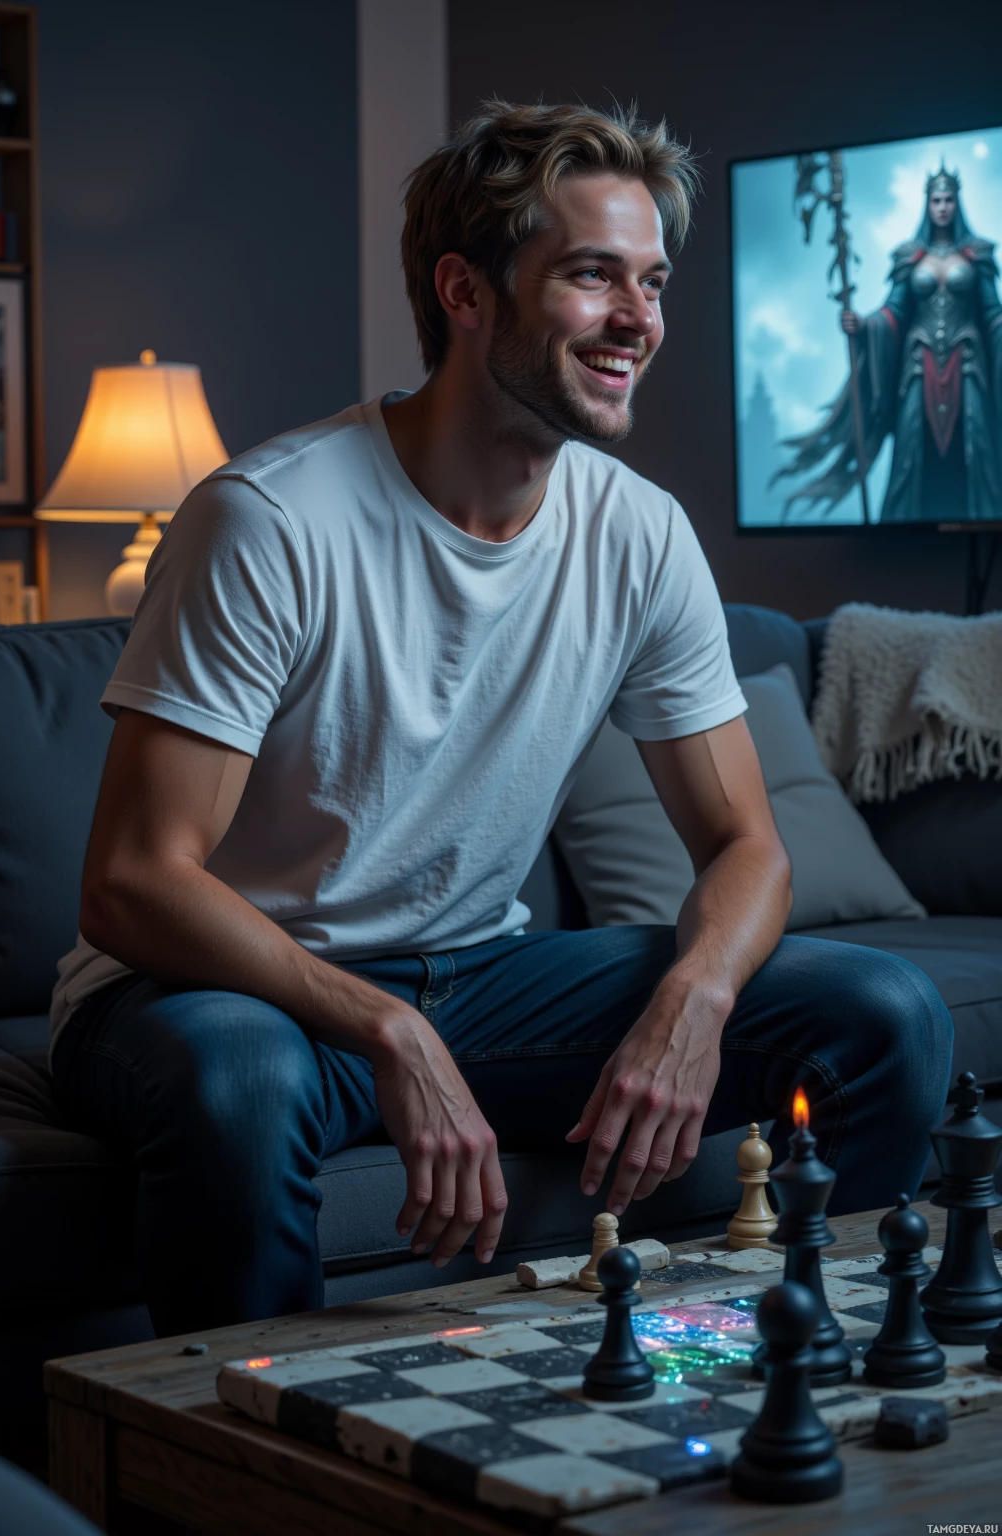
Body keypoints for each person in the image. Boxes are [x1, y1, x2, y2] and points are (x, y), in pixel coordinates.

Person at [49, 101, 953, 1338]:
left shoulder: (637, 532)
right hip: (218, 995)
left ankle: (790, 1384)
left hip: (477, 976)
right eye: (592, 276)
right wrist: (387, 1028)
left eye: (651, 281)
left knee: (883, 1014)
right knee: (244, 1083)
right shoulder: (271, 519)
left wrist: (692, 999)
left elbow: (747, 847)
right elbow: (133, 885)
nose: (640, 320)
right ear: (464, 291)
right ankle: (255, 1462)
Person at [775, 163, 1002, 523]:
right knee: (912, 451)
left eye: (948, 200)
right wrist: (865, 325)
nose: (942, 206)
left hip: (967, 365)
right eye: (936, 200)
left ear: (957, 204)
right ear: (928, 205)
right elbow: (895, 311)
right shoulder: (909, 257)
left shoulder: (978, 255)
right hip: (918, 368)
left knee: (977, 449)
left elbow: (992, 313)